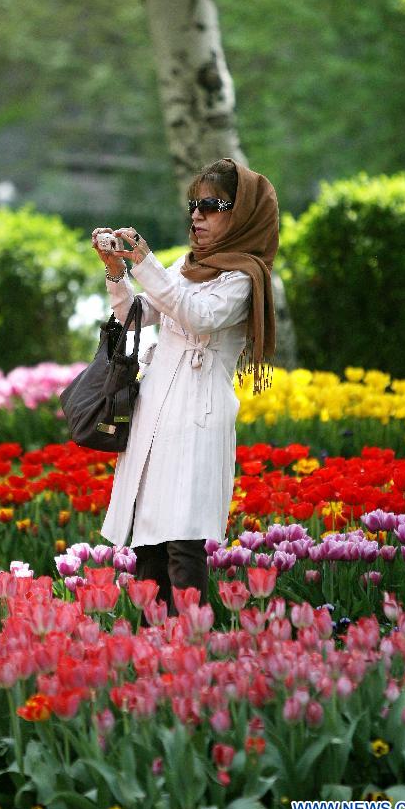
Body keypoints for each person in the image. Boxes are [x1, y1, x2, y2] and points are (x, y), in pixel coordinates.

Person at [91, 158, 279, 612]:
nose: (197, 214)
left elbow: (197, 315)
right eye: (194, 204)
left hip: (199, 413)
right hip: (156, 408)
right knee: (148, 538)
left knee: (183, 536)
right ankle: (152, 650)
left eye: (212, 205)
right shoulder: (189, 264)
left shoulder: (244, 276)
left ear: (243, 214)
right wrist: (116, 269)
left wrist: (146, 262)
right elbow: (135, 314)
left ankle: (190, 645)